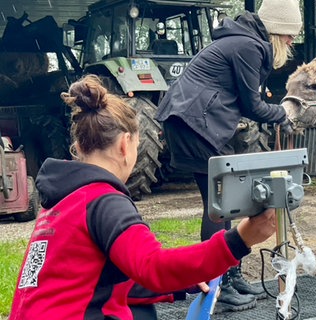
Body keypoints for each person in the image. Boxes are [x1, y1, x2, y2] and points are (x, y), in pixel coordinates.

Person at [9, 75, 277, 320]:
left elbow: (103, 281)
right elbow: (153, 267)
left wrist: (183, 282)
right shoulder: (104, 201)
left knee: (138, 311)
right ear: (126, 144)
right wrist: (241, 239)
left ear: (78, 146)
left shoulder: (61, 202)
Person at [154, 0, 301, 312]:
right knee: (219, 208)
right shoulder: (250, 47)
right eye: (289, 35)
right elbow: (252, 105)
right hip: (194, 123)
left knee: (225, 205)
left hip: (190, 122)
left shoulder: (242, 41)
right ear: (277, 31)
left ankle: (228, 277)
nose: (291, 42)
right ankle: (216, 285)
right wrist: (284, 112)